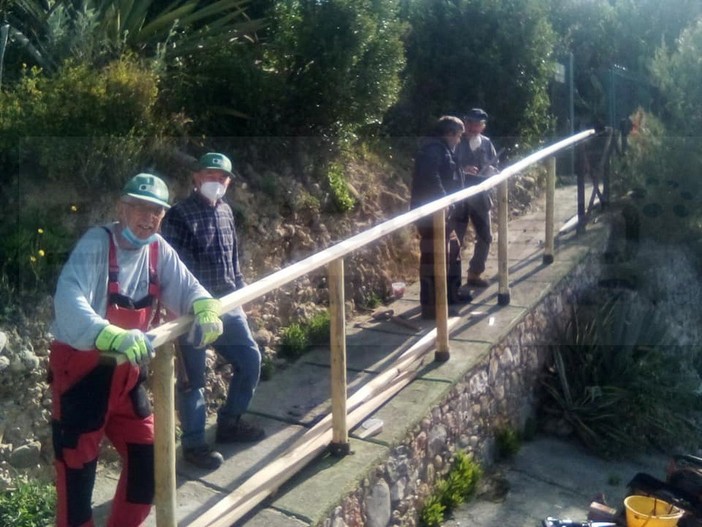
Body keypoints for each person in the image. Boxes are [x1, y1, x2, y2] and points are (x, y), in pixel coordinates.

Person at [49, 173, 223, 527]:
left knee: (151, 459)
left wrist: (205, 306)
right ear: (122, 208)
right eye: (141, 209)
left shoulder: (158, 249)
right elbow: (68, 298)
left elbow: (189, 288)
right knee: (77, 474)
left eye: (157, 212)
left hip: (127, 378)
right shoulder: (95, 244)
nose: (149, 219)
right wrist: (108, 334)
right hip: (82, 374)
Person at [160, 152, 264, 472]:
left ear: (228, 182)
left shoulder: (227, 212)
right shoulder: (178, 215)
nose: (215, 182)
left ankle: (230, 423)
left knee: (250, 360)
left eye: (222, 178)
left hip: (228, 305)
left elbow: (233, 259)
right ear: (196, 177)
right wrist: (187, 307)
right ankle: (193, 445)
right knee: (194, 381)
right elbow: (175, 268)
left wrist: (243, 296)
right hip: (191, 311)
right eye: (210, 175)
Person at [409, 115, 471, 319]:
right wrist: (445, 201)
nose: (459, 140)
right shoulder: (432, 150)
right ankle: (432, 307)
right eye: (458, 135)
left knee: (452, 250)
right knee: (433, 258)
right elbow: (431, 178)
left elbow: (447, 175)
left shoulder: (442, 150)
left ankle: (451, 296)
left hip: (442, 213)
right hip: (432, 214)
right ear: (449, 133)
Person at [454, 108, 500, 288]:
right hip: (459, 197)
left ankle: (475, 273)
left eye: (478, 124)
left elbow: (495, 165)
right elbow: (448, 166)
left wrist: (491, 171)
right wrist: (463, 170)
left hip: (481, 196)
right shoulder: (456, 141)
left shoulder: (487, 143)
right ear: (465, 123)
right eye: (471, 123)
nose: (473, 128)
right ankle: (452, 280)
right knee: (455, 238)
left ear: (483, 127)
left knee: (485, 236)